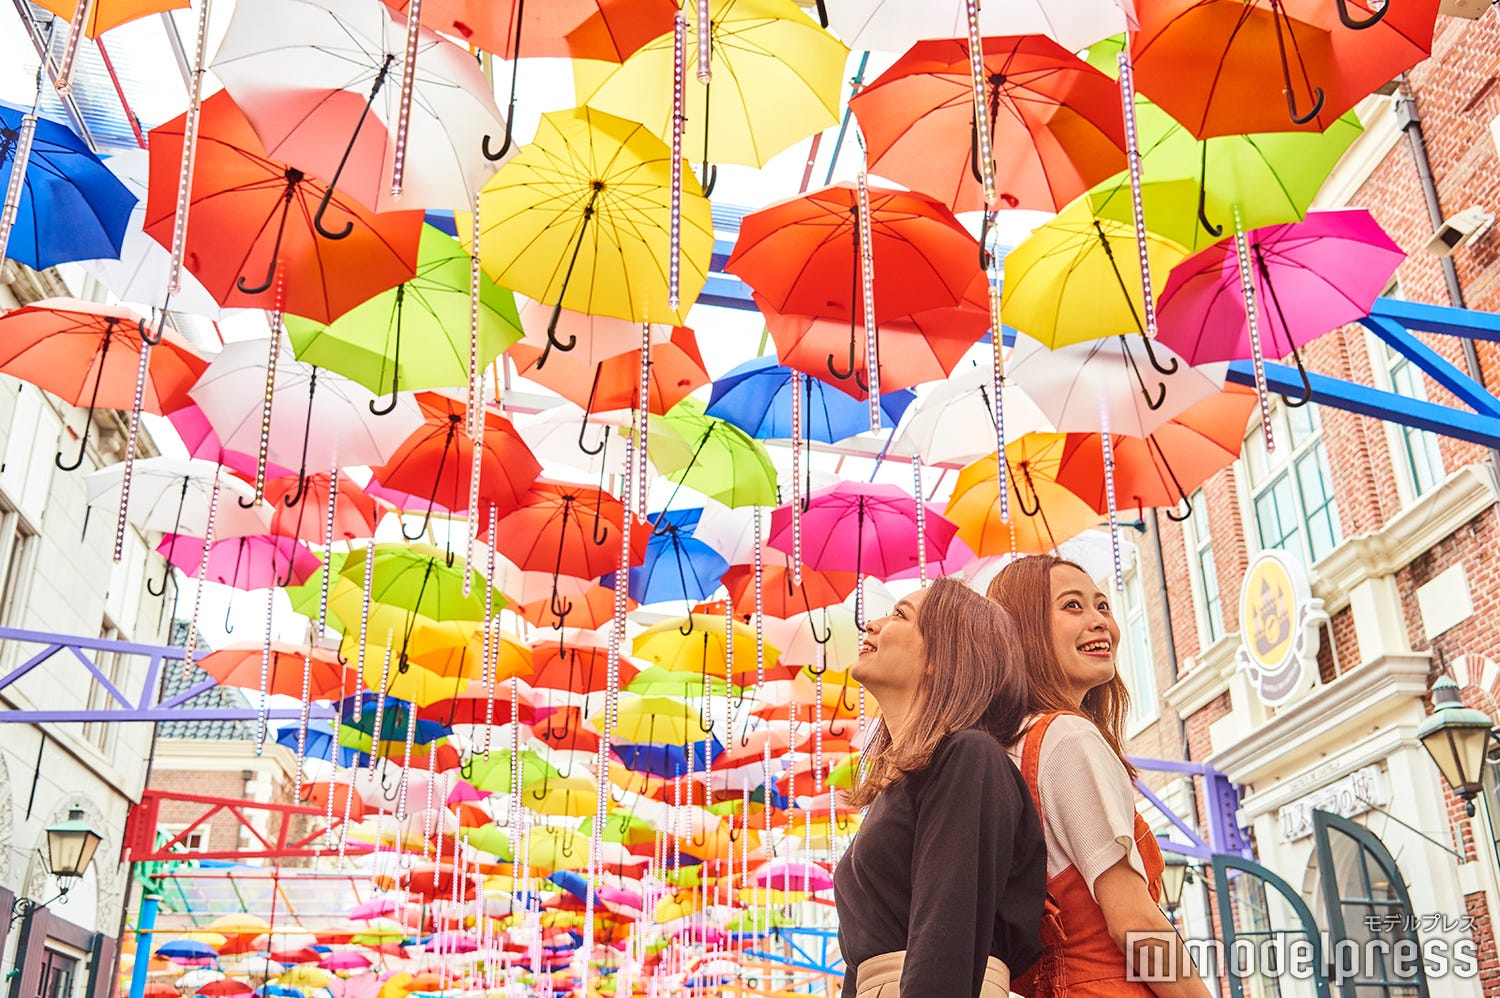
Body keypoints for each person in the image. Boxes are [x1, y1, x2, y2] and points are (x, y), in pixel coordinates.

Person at [986, 554, 1212, 998]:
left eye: (1103, 606)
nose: (1099, 622)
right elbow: (1135, 923)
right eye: (1073, 606)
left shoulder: (1006, 748)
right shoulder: (1068, 737)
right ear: (1023, 630)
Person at [833, 577, 1047, 998]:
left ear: (941, 657)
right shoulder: (902, 784)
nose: (872, 625)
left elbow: (946, 935)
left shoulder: (969, 757)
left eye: (899, 615)